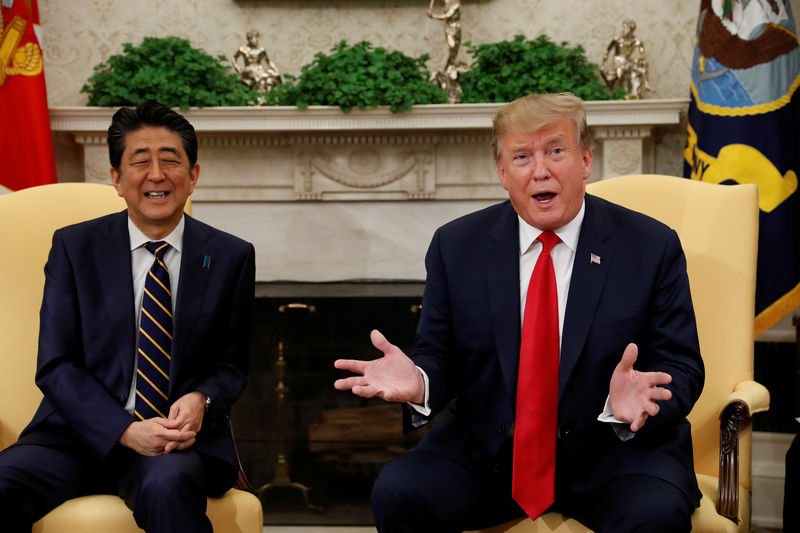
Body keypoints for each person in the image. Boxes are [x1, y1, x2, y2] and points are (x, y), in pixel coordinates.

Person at [334, 92, 704, 533]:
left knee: (655, 514)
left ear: (585, 160)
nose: (540, 170)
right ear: (502, 172)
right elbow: (439, 353)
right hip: (490, 454)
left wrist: (640, 399)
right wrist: (422, 382)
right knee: (400, 490)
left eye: (556, 151)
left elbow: (681, 365)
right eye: (522, 156)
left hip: (616, 453)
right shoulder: (457, 246)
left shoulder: (649, 245)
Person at [0, 100, 255, 532]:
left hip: (175, 446)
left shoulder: (230, 255)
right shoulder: (74, 247)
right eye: (140, 162)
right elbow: (57, 365)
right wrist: (123, 429)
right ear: (117, 179)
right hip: (74, 437)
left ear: (193, 175)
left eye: (170, 160)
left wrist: (202, 399)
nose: (156, 174)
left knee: (169, 486)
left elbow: (231, 365)